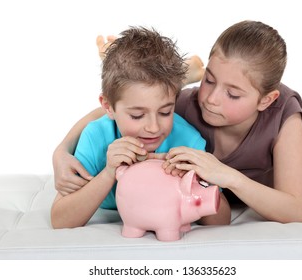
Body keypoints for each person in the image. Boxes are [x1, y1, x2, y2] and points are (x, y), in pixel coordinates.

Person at [52, 20, 302, 224]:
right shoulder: (183, 105)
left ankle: (185, 71)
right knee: (149, 84)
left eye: (232, 94)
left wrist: (223, 176)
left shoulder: (283, 113)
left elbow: (293, 211)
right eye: (208, 80)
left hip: (270, 181)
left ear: (265, 100)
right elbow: (113, 110)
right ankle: (181, 71)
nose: (212, 100)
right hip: (219, 189)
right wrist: (61, 150)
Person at [51, 26, 230, 229]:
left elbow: (222, 220)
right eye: (137, 115)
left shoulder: (188, 140)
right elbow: (60, 220)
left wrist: (195, 180)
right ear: (108, 107)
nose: (153, 128)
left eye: (165, 112)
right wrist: (109, 173)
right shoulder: (96, 137)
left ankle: (182, 77)